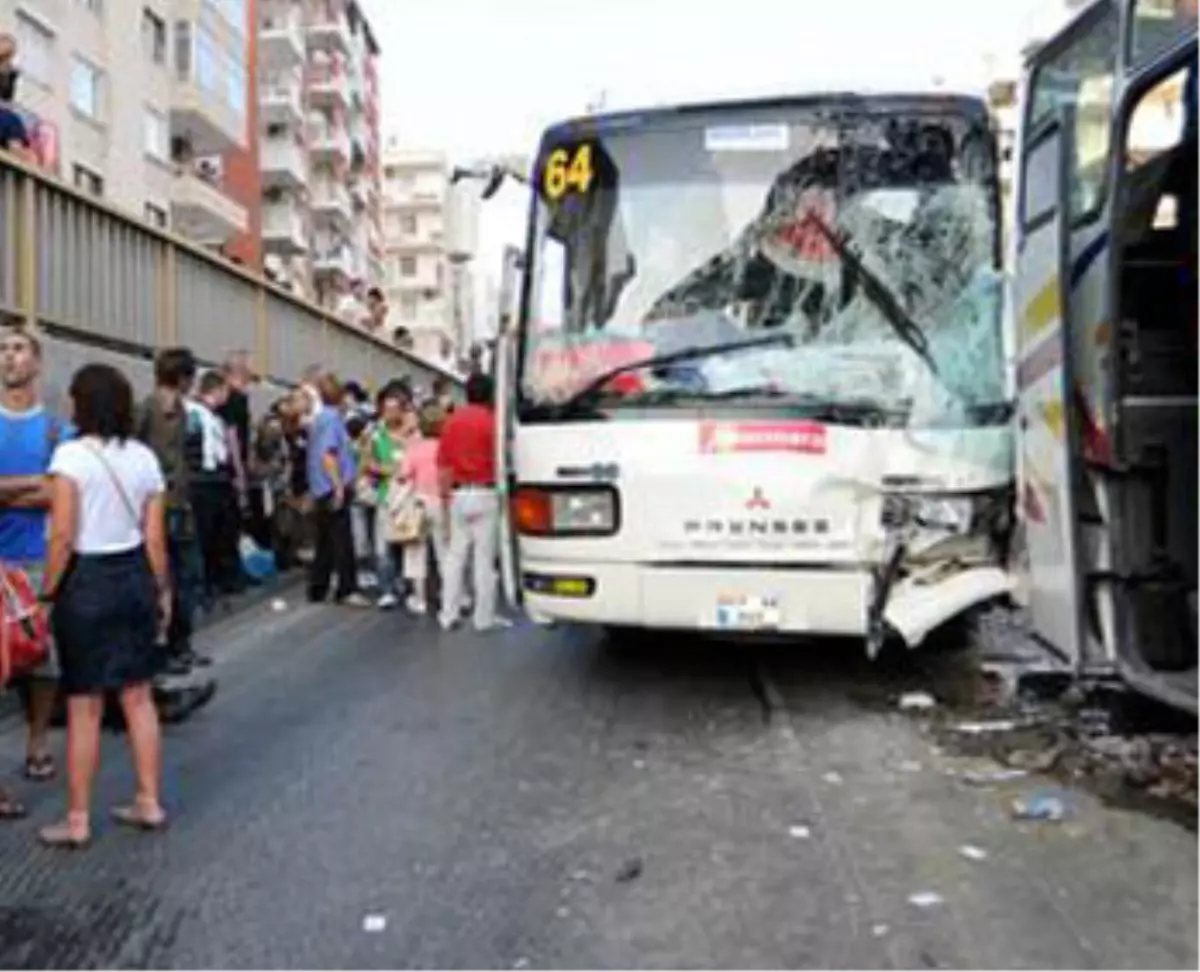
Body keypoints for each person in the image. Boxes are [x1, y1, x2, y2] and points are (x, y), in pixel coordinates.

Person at [38, 363, 171, 848]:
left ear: (81, 403)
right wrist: (163, 591)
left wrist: (46, 594)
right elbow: (155, 538)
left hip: (87, 583)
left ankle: (77, 819)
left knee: (84, 704)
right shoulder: (144, 458)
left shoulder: (69, 456)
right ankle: (149, 800)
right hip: (135, 576)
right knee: (138, 696)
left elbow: (63, 536)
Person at [0, 327, 68, 819]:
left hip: (39, 559)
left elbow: (60, 493)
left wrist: (10, 488)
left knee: (42, 659)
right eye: (2, 350)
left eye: (18, 348)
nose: (8, 356)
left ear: (37, 362)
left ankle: (39, 743)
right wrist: (36, 484)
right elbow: (44, 487)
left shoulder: (55, 430)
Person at [135, 347, 207, 675]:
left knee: (187, 577)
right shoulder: (146, 411)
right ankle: (161, 652)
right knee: (162, 579)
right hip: (158, 507)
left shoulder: (183, 411)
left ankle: (180, 644)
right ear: (182, 379)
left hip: (180, 504)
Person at [436, 372, 508, 632]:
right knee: (484, 559)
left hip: (458, 494)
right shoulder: (493, 422)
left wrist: (444, 501)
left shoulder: (452, 422)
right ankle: (483, 618)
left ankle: (448, 614)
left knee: (455, 556)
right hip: (486, 493)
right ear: (489, 394)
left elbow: (443, 465)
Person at [307, 372, 369, 607]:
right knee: (342, 540)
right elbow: (328, 455)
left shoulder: (319, 419)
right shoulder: (332, 420)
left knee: (324, 541)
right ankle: (346, 588)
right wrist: (339, 486)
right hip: (332, 486)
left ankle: (318, 587)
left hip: (319, 487)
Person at [187, 371, 240, 605]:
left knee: (215, 533)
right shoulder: (194, 414)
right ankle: (203, 585)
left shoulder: (213, 417)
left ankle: (213, 581)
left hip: (215, 480)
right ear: (216, 390)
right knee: (203, 534)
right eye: (224, 391)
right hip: (202, 481)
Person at [363, 385, 414, 609]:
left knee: (406, 542)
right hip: (386, 494)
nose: (389, 414)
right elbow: (367, 463)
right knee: (382, 545)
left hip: (408, 496)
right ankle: (386, 590)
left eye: (394, 410)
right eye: (386, 409)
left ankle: (404, 581)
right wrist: (386, 470)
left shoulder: (413, 435)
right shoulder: (376, 435)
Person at [399, 402, 448, 616]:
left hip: (418, 502)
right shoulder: (446, 447)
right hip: (441, 501)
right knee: (445, 552)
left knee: (415, 551)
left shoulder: (414, 447)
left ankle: (419, 599)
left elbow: (403, 475)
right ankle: (450, 597)